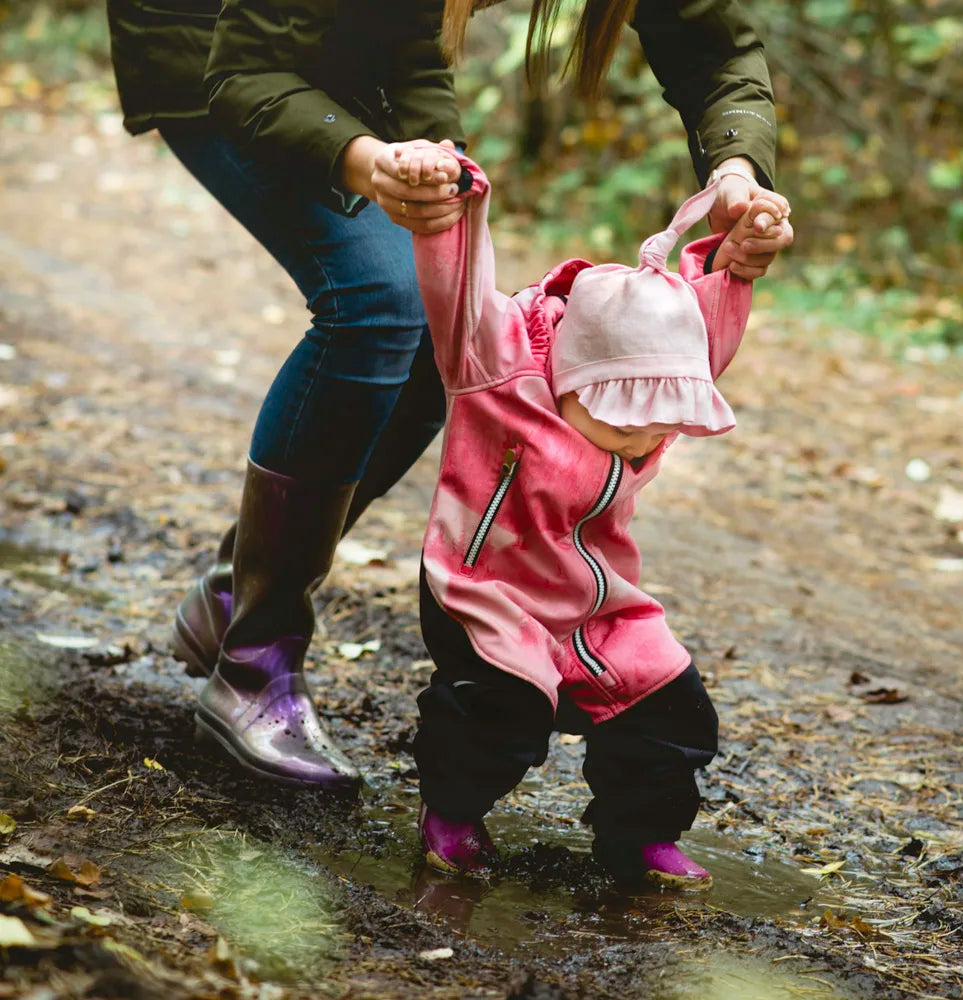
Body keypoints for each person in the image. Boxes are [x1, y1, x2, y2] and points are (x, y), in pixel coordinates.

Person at [103, 0, 793, 791]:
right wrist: (367, 162)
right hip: (215, 36)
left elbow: (711, 42)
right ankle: (256, 656)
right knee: (379, 300)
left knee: (443, 343)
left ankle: (237, 595)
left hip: (362, 47)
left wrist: (737, 172)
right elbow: (250, 66)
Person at [406, 149, 781, 888]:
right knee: (504, 707)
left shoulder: (661, 380)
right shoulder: (496, 374)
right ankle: (451, 813)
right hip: (486, 590)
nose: (649, 437)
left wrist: (733, 263)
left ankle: (637, 838)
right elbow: (455, 293)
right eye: (629, 418)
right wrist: (455, 201)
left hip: (595, 598)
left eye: (664, 421)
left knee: (674, 709)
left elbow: (704, 334)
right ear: (574, 383)